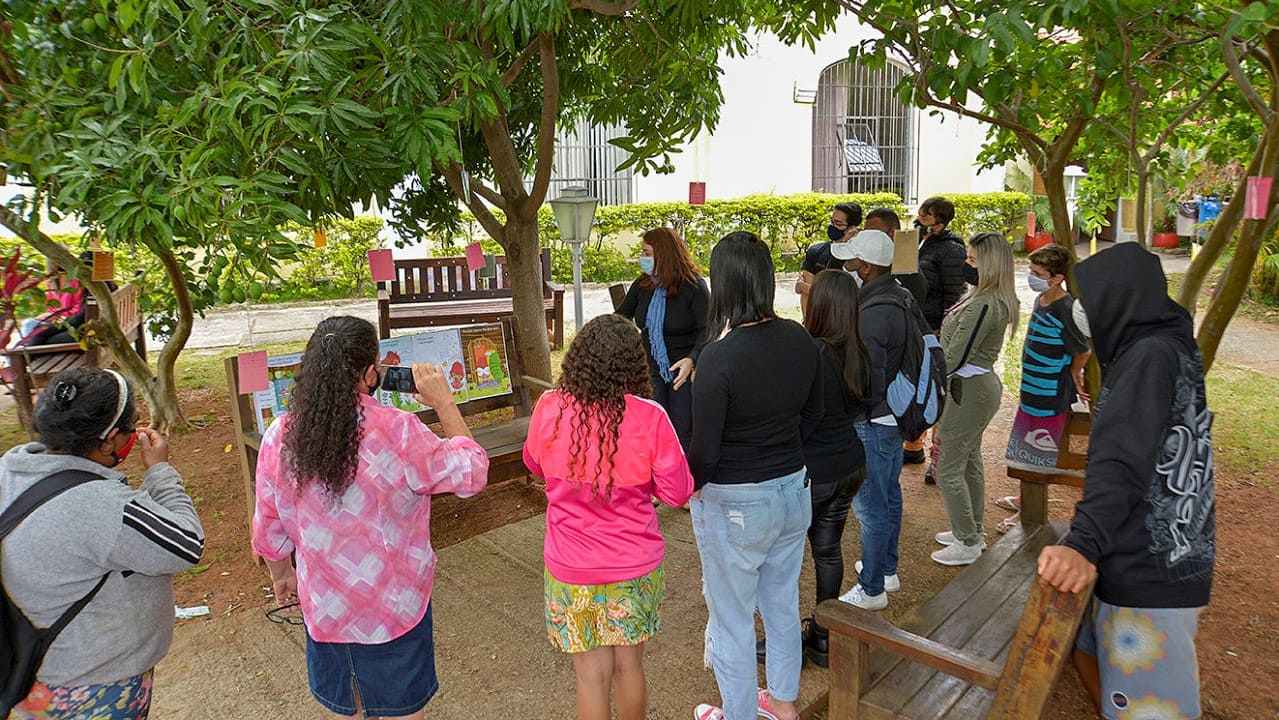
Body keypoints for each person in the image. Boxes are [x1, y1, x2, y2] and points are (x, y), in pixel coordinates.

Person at [252, 316, 488, 720]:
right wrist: (445, 403)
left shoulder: (280, 435)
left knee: (350, 712)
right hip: (393, 612)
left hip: (326, 609)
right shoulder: (399, 431)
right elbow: (471, 474)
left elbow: (269, 525)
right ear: (367, 372)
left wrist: (281, 576)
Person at [1038, 242, 1214, 720]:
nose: (1083, 314)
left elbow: (1122, 460)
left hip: (1150, 573)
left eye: (1090, 303)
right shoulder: (1167, 344)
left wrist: (1083, 543)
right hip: (1156, 554)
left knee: (1147, 706)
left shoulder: (1149, 358)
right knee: (1092, 654)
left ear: (1117, 301)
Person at [2, 367, 204, 719]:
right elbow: (185, 545)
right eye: (132, 424)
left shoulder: (10, 471)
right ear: (109, 438)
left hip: (30, 674)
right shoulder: (99, 505)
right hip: (93, 685)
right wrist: (159, 471)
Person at [523, 314, 693, 720]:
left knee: (591, 677)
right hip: (633, 567)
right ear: (633, 366)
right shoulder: (650, 417)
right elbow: (678, 491)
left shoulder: (549, 407)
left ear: (578, 357)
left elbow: (534, 464)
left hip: (570, 568)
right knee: (628, 667)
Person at [690, 232, 821, 720]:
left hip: (738, 501)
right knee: (782, 604)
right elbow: (814, 415)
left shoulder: (720, 356)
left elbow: (704, 449)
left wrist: (692, 485)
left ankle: (741, 713)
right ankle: (783, 703)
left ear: (723, 284)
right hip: (792, 490)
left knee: (732, 619)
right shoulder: (799, 338)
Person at [830, 230, 911, 610]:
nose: (847, 262)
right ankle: (887, 567)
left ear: (864, 266)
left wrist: (851, 410)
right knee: (889, 494)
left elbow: (868, 380)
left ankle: (872, 587)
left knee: (870, 507)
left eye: (851, 258)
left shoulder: (872, 314)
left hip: (873, 422)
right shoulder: (898, 296)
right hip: (892, 419)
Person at [929, 232, 1018, 566]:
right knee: (968, 461)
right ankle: (970, 529)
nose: (966, 265)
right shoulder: (981, 296)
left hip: (970, 389)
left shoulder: (985, 302)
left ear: (990, 266)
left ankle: (968, 540)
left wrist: (930, 380)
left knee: (948, 467)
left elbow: (956, 356)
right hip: (970, 388)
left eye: (972, 261)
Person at [796, 269, 869, 666]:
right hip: (850, 463)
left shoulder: (813, 352)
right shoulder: (859, 349)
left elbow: (801, 414)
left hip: (815, 471)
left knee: (786, 556)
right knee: (827, 550)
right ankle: (824, 636)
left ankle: (786, 638)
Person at [998, 243, 1090, 532]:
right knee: (1023, 448)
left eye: (1038, 273)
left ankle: (1028, 510)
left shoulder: (1067, 308)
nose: (1032, 277)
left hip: (1051, 394)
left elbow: (1082, 348)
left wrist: (1074, 371)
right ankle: (1023, 496)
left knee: (1039, 450)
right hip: (1031, 389)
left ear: (1057, 277)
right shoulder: (1041, 301)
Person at [616, 227, 710, 452]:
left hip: (682, 368)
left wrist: (692, 359)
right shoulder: (643, 285)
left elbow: (708, 329)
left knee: (681, 429)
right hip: (650, 366)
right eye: (642, 253)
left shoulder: (694, 286)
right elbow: (619, 318)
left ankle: (685, 481)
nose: (643, 258)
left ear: (664, 254)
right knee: (653, 429)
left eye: (647, 253)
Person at [907, 197, 966, 468]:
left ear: (939, 220)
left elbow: (954, 292)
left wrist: (945, 327)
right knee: (917, 382)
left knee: (934, 386)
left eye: (926, 215)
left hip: (935, 324)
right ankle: (913, 444)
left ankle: (937, 458)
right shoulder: (921, 239)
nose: (920, 216)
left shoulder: (951, 249)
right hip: (917, 320)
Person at [795, 202, 862, 318]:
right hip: (814, 319)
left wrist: (805, 287)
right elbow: (808, 291)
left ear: (852, 228)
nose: (832, 226)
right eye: (832, 222)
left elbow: (839, 295)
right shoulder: (816, 251)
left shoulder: (856, 258)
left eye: (838, 224)